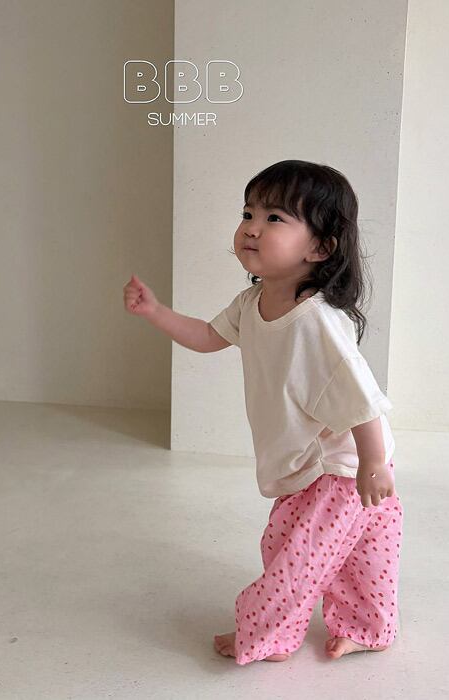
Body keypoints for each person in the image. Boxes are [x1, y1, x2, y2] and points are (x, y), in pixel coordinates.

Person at [122, 159, 403, 666]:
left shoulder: (316, 322)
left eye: (274, 218)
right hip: (324, 460)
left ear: (320, 248)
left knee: (294, 556)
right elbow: (207, 337)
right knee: (358, 551)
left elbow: (362, 398)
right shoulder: (253, 301)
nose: (252, 227)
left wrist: (373, 463)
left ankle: (268, 635)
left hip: (342, 466)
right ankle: (369, 627)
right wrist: (155, 312)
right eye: (248, 212)